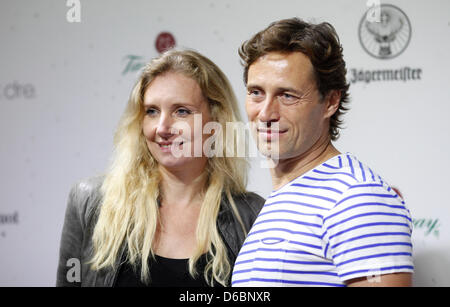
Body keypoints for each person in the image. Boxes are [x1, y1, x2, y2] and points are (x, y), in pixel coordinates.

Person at [56, 49, 264, 287]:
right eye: (152, 112)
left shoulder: (251, 215)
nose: (162, 127)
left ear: (216, 119)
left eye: (181, 111)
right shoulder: (91, 201)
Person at [231, 18, 413, 287]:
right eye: (256, 93)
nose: (266, 113)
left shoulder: (357, 198)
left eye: (287, 96)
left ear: (330, 101)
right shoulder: (282, 199)